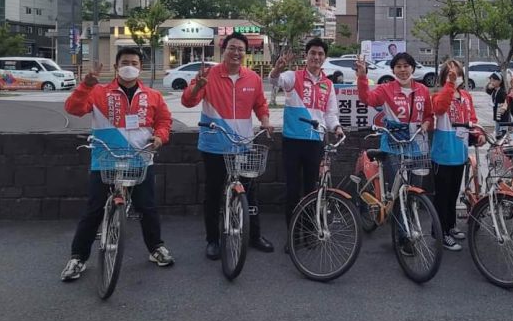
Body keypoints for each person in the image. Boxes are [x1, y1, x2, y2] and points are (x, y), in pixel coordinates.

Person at [61, 47, 174, 281]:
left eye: (134, 62)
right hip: (105, 160)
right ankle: (78, 258)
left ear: (140, 67)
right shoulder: (99, 91)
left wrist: (160, 137)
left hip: (141, 159)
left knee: (147, 208)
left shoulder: (153, 95)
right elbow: (73, 108)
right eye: (124, 62)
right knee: (93, 210)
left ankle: (156, 248)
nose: (129, 66)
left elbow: (164, 120)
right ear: (116, 66)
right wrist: (86, 85)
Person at [181, 33, 274, 259]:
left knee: (249, 193)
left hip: (243, 145)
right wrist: (196, 87)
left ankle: (254, 236)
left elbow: (260, 104)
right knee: (213, 193)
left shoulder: (252, 78)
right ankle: (212, 240)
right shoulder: (208, 74)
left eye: (240, 49)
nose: (236, 53)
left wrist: (265, 120)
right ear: (223, 50)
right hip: (214, 145)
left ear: (245, 52)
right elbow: (187, 101)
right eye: (232, 48)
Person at [269, 38, 343, 253]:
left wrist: (336, 127)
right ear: (306, 55)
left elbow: (330, 113)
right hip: (292, 141)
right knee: (292, 191)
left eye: (320, 54)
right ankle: (292, 236)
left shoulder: (327, 84)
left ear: (324, 57)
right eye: (312, 53)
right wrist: (276, 69)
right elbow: (275, 82)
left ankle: (309, 232)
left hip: (315, 142)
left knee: (312, 191)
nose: (316, 57)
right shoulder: (294, 76)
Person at [355, 52, 433, 253]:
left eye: (406, 65)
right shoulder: (385, 89)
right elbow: (366, 98)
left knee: (415, 191)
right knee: (398, 193)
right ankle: (402, 237)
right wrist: (362, 76)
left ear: (413, 68)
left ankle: (412, 226)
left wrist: (425, 123)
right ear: (393, 70)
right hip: (392, 145)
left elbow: (429, 115)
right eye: (398, 66)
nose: (403, 69)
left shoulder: (423, 90)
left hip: (417, 146)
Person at [431, 59, 477, 251]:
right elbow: (440, 108)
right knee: (441, 195)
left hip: (460, 151)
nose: (454, 77)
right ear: (443, 77)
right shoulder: (438, 94)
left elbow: (472, 118)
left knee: (453, 194)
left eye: (457, 74)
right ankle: (440, 232)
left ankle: (450, 225)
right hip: (443, 153)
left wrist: (478, 135)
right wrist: (449, 85)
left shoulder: (466, 96)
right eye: (450, 74)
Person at [485, 72, 509, 136]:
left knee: (503, 131)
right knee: (497, 130)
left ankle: (504, 140)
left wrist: (504, 107)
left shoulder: (502, 91)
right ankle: (498, 140)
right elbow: (488, 91)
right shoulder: (494, 90)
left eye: (494, 80)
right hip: (497, 113)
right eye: (491, 80)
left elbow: (507, 99)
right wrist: (489, 86)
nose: (492, 82)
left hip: (503, 114)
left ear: (500, 81)